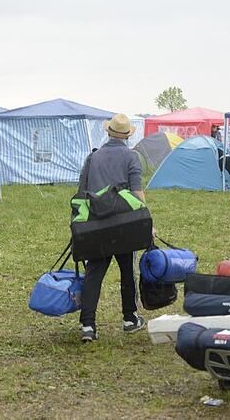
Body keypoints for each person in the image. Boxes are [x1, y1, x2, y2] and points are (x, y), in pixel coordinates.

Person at [78, 114, 148, 342]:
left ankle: (88, 325)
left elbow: (82, 191)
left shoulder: (93, 157)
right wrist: (146, 222)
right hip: (124, 223)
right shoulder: (131, 157)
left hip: (96, 223)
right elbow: (137, 193)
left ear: (108, 132)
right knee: (127, 270)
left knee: (93, 274)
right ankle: (130, 318)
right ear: (127, 136)